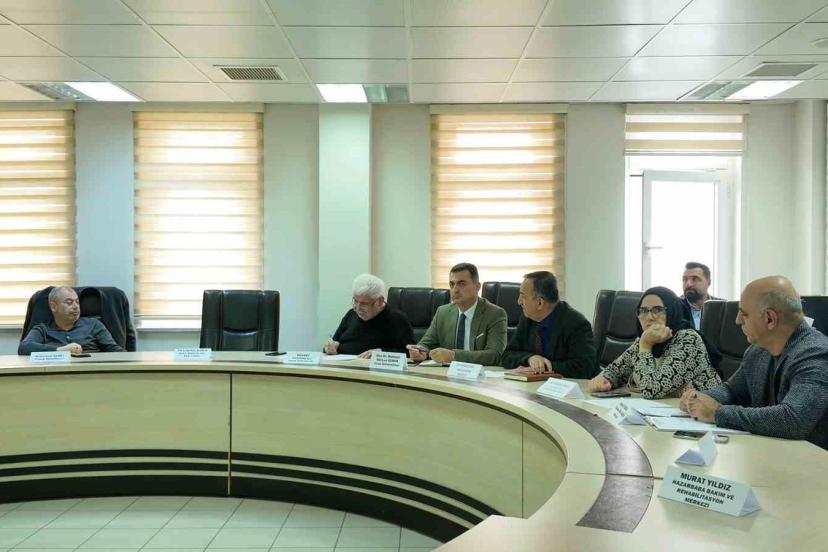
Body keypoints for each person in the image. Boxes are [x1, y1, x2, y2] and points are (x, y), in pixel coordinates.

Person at [681, 276, 828, 449]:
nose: (737, 320)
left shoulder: (817, 354)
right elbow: (732, 391)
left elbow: (794, 419)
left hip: (810, 461)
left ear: (769, 319)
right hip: (768, 451)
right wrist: (698, 399)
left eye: (744, 314)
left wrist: (717, 413)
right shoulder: (758, 350)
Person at [588, 287, 721, 399]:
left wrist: (645, 346)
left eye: (657, 310)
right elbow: (614, 371)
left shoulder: (688, 339)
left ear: (672, 311)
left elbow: (651, 390)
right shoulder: (645, 340)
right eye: (643, 311)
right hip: (665, 412)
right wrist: (604, 380)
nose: (649, 317)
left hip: (700, 416)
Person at [407, 263, 507, 365]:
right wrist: (420, 352)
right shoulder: (443, 312)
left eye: (461, 284)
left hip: (480, 372)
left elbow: (495, 355)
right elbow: (426, 343)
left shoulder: (495, 314)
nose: (455, 290)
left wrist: (454, 356)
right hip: (446, 372)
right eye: (452, 284)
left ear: (477, 287)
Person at [501, 271, 596, 378]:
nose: (519, 301)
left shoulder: (577, 324)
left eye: (523, 297)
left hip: (568, 386)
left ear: (540, 303)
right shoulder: (527, 318)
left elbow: (583, 368)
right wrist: (530, 358)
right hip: (535, 385)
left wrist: (542, 368)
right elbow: (507, 356)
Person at [324, 274, 413, 358]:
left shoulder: (397, 319)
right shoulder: (351, 314)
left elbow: (410, 353)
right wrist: (329, 348)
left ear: (380, 301)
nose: (357, 308)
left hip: (374, 368)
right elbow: (334, 342)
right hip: (343, 365)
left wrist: (382, 353)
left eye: (364, 304)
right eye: (355, 301)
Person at [18, 286, 124, 355]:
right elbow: (24, 347)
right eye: (69, 302)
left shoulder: (94, 325)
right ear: (54, 307)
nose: (75, 307)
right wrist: (61, 350)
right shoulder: (43, 329)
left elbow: (115, 350)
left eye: (77, 302)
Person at [680, 261, 721, 330]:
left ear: (709, 282)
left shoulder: (722, 308)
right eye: (685, 279)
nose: (688, 284)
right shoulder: (676, 308)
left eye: (695, 279)